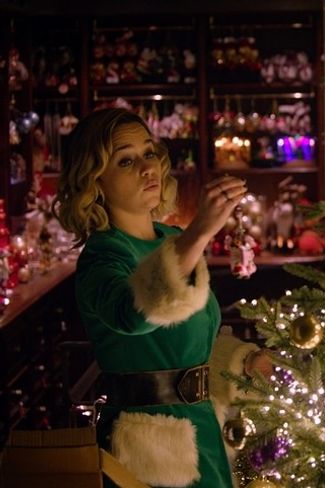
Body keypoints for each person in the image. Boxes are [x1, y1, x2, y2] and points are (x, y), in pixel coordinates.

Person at [56, 108, 273, 487]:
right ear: (96, 181)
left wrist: (246, 360)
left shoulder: (169, 239)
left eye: (149, 152)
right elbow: (134, 314)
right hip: (151, 451)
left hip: (205, 429)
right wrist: (199, 232)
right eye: (126, 160)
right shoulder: (103, 255)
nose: (147, 167)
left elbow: (186, 344)